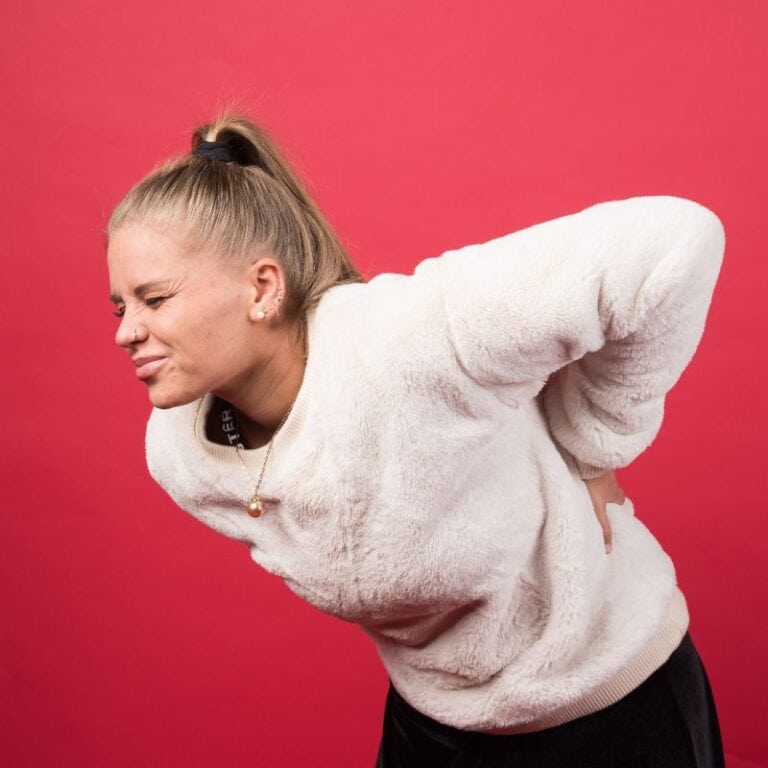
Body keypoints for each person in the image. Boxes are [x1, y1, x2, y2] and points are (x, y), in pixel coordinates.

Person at [106, 111, 727, 767]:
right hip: (434, 725)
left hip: (612, 709)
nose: (126, 331)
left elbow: (674, 243)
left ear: (262, 287)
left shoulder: (403, 345)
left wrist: (593, 445)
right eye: (120, 307)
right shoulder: (182, 457)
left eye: (155, 298)